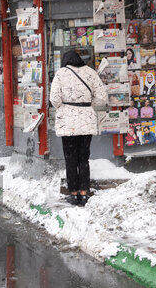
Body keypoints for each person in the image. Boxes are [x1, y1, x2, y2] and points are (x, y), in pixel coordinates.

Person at [50, 50, 107, 206]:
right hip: (86, 120)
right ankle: (84, 192)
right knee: (84, 158)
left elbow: (54, 99)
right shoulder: (91, 72)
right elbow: (102, 98)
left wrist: (66, 106)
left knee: (70, 158)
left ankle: (73, 193)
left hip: (68, 121)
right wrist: (86, 106)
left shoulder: (61, 74)